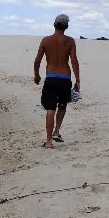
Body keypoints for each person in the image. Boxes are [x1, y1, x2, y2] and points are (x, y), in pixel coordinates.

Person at [34, 14, 81, 148]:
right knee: (62, 105)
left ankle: (49, 141)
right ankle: (57, 131)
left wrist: (36, 75)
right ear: (66, 26)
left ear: (54, 24)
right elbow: (74, 61)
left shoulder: (46, 41)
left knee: (50, 109)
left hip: (51, 77)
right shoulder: (70, 41)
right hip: (65, 78)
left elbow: (37, 60)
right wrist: (78, 80)